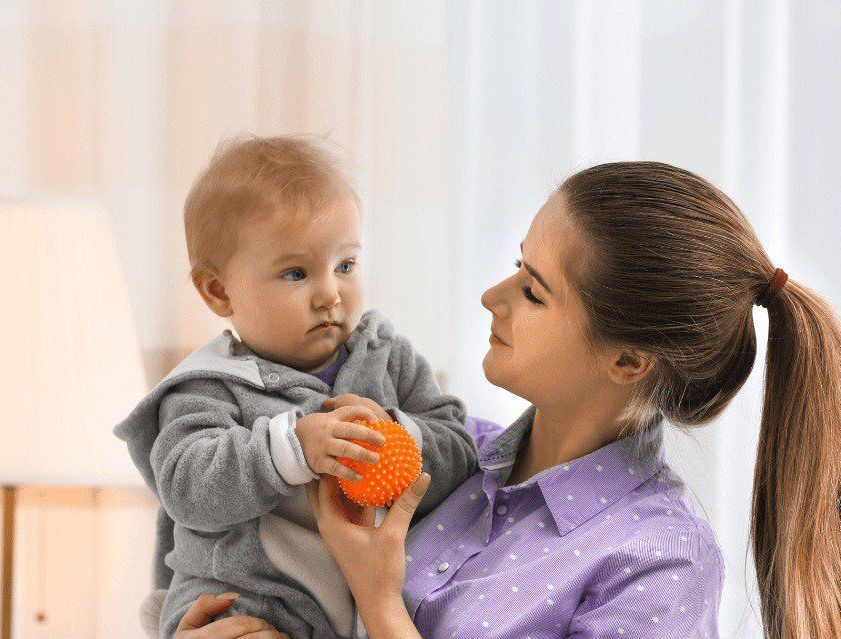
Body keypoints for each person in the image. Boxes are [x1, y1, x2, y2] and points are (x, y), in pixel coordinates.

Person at [183, 161, 841, 639]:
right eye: (517, 265)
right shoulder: (443, 451)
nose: (492, 295)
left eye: (533, 290)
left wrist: (380, 599)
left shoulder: (663, 562)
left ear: (628, 360)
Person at [114, 135, 478, 639]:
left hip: (373, 610)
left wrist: (398, 437)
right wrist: (291, 448)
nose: (330, 293)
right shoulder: (209, 388)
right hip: (248, 607)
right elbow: (186, 486)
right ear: (218, 291)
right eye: (295, 273)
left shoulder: (388, 359)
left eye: (345, 265)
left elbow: (461, 452)